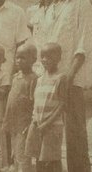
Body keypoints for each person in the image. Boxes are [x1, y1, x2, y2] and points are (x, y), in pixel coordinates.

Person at [47, 0, 92, 172]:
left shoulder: (81, 4)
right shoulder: (51, 7)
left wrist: (70, 74)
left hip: (71, 77)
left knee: (75, 130)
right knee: (47, 125)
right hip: (48, 76)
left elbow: (85, 41)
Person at [26, 43, 66, 172]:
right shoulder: (39, 80)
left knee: (52, 159)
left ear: (59, 58)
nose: (45, 59)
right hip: (37, 124)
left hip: (52, 126)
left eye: (49, 56)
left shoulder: (60, 78)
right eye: (42, 56)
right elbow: (36, 103)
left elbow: (62, 105)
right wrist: (34, 121)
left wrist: (47, 123)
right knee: (38, 156)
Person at [3, 43, 38, 172]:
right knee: (15, 153)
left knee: (23, 154)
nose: (18, 61)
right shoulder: (15, 77)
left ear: (33, 59)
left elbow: (33, 103)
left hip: (24, 123)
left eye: (23, 58)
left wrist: (30, 124)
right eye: (17, 57)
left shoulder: (34, 79)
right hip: (13, 122)